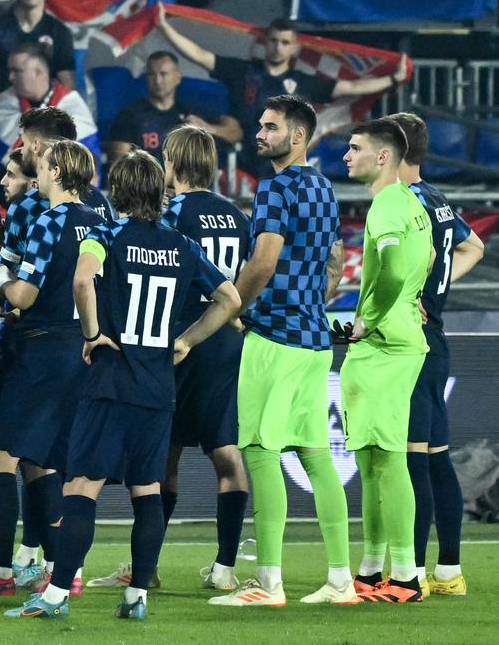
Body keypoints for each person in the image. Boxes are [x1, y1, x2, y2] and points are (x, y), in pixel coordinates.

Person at [7, 151, 238, 620]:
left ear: (117, 191)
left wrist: (92, 335)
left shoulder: (105, 234)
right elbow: (230, 298)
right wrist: (187, 341)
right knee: (146, 491)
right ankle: (137, 598)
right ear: (158, 191)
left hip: (110, 381)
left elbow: (82, 280)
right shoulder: (180, 245)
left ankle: (54, 597)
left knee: (81, 486)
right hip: (157, 388)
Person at [211, 95, 354, 607]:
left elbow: (263, 260)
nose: (259, 133)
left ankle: (268, 582)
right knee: (316, 456)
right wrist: (313, 298)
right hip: (315, 340)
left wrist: (232, 306)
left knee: (259, 452)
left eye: (270, 127)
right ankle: (341, 579)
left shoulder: (275, 186)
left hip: (275, 337)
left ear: (298, 136)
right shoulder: (323, 186)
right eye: (260, 125)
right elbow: (335, 258)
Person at [0, 140, 105, 599]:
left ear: (55, 172)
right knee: (46, 463)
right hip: (80, 352)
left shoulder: (48, 220)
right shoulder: (101, 223)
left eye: (41, 165)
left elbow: (21, 296)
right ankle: (64, 571)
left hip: (41, 352)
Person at [387, 112, 484, 594]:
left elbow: (418, 260)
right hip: (437, 339)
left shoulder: (406, 204)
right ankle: (449, 571)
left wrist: (412, 298)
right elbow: (475, 249)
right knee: (438, 459)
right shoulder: (440, 201)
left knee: (414, 460)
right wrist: (436, 291)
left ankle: (413, 573)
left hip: (414, 345)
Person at [337, 119, 433, 603]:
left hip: (384, 347)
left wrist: (369, 319)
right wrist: (410, 299)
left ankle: (408, 575)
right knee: (375, 461)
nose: (346, 156)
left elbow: (394, 267)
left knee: (389, 461)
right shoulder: (412, 203)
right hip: (399, 340)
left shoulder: (387, 205)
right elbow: (430, 256)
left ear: (382, 157)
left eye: (355, 149)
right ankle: (374, 570)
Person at [157, 123, 251, 593]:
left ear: (171, 162)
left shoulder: (170, 212)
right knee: (225, 451)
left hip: (179, 338)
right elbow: (248, 278)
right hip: (227, 339)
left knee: (164, 451)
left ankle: (145, 567)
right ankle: (225, 567)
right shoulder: (236, 215)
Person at [157, 10, 407, 174]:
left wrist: (393, 78)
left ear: (294, 48)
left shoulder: (304, 82)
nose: (278, 47)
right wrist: (164, 28)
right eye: (274, 40)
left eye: (285, 42)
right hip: (241, 163)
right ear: (265, 42)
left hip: (283, 167)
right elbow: (200, 55)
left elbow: (352, 87)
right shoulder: (242, 71)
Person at [105, 50, 241, 160]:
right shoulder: (130, 115)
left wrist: (209, 128)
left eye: (163, 74)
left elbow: (236, 132)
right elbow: (120, 163)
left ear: (177, 77)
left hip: (187, 189)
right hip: (146, 189)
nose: (158, 81)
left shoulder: (191, 113)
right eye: (152, 75)